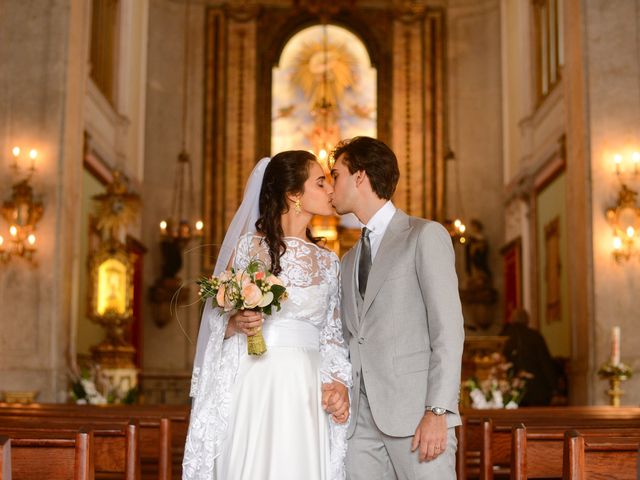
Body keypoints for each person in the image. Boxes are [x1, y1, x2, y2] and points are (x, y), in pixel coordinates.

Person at [182, 151, 352, 480]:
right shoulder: (249, 248)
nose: (330, 190)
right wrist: (233, 324)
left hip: (306, 385)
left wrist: (337, 382)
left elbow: (332, 334)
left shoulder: (330, 262)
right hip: (255, 379)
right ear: (293, 194)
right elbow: (216, 318)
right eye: (320, 182)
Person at [327, 136, 464, 479]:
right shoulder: (348, 260)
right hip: (360, 426)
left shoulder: (424, 236)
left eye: (336, 174)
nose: (331, 186)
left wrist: (438, 411)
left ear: (360, 176)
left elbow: (448, 330)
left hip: (418, 419)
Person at [500, 309, 558, 406]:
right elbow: (545, 363)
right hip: (537, 392)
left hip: (511, 393)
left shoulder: (503, 336)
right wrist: (555, 387)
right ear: (527, 321)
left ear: (511, 319)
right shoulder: (535, 336)